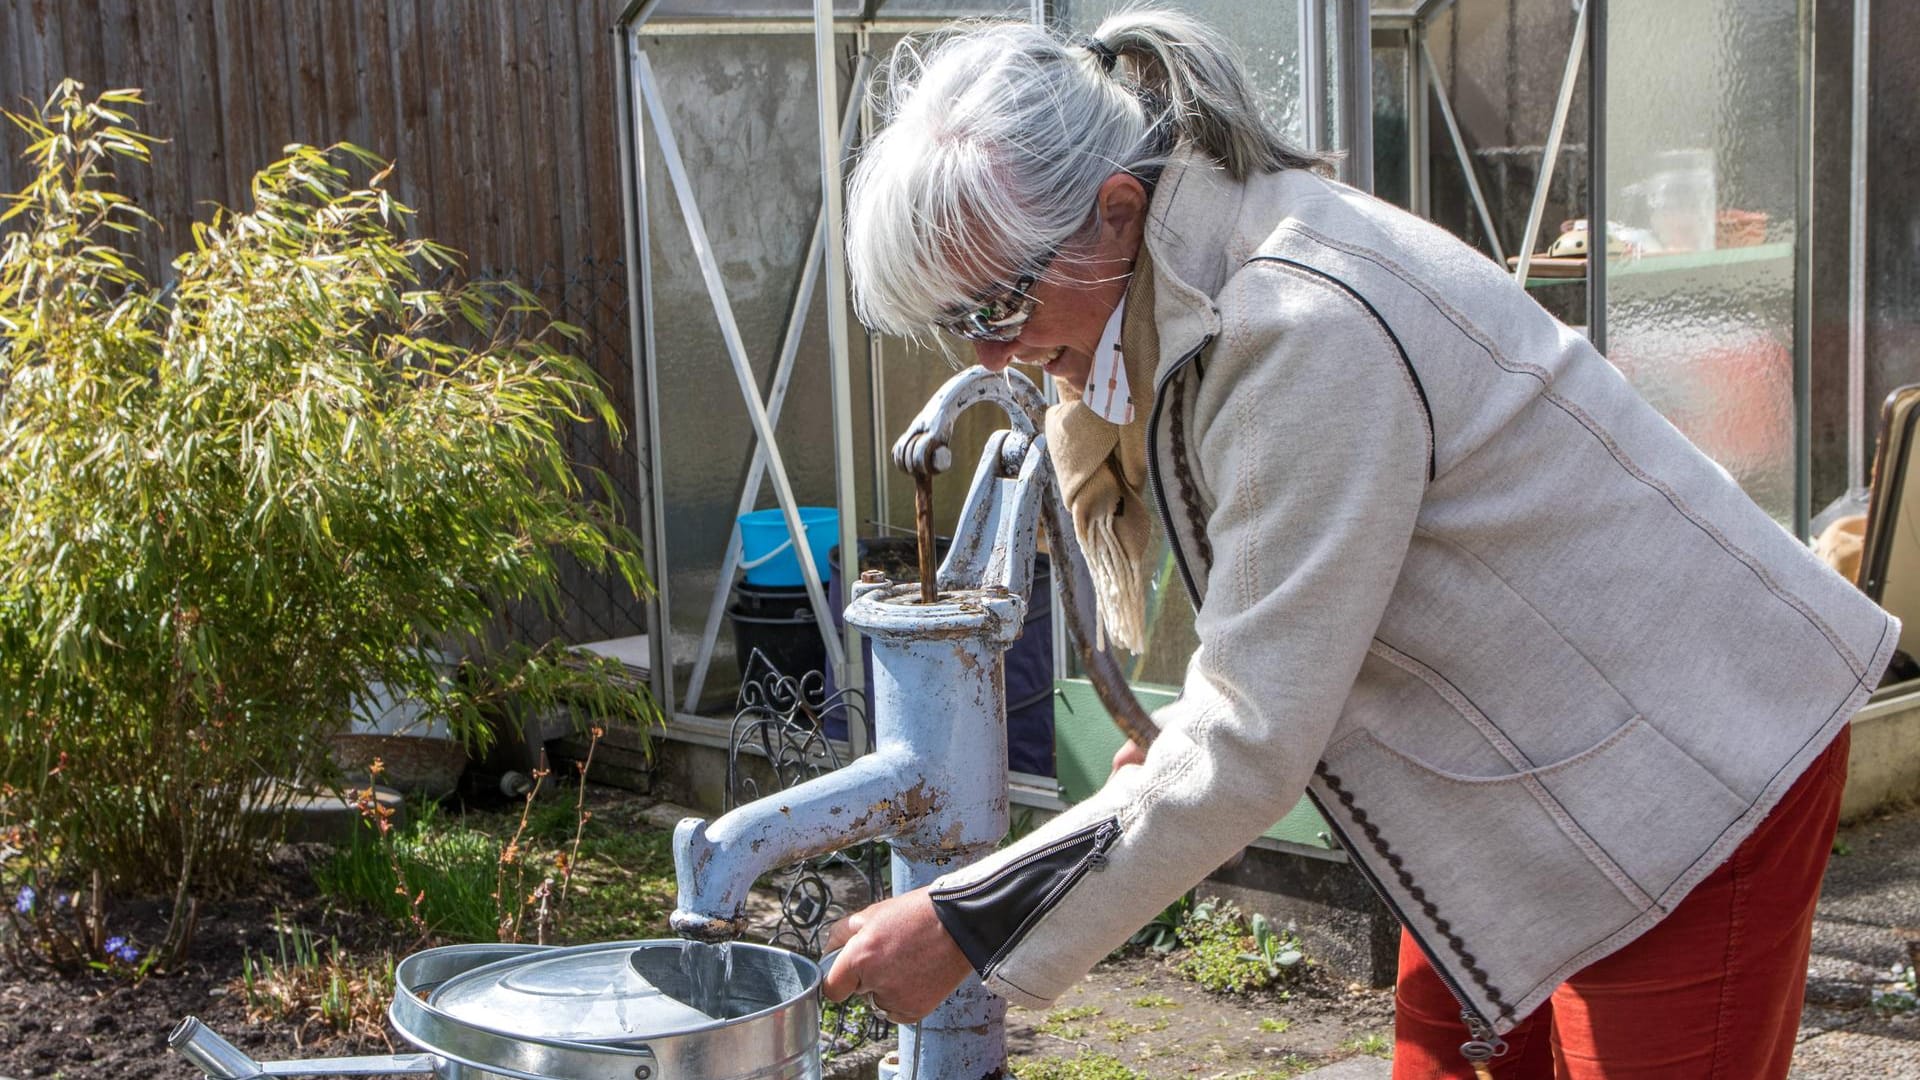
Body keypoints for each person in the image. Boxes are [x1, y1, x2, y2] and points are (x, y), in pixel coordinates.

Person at [820, 10, 1895, 1078]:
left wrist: (968, 926)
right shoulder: (1205, 272)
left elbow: (1250, 741)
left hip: (1688, 763)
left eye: (1003, 302)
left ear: (1116, 209)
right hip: (1517, 769)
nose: (995, 351)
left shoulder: (1293, 326)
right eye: (958, 319)